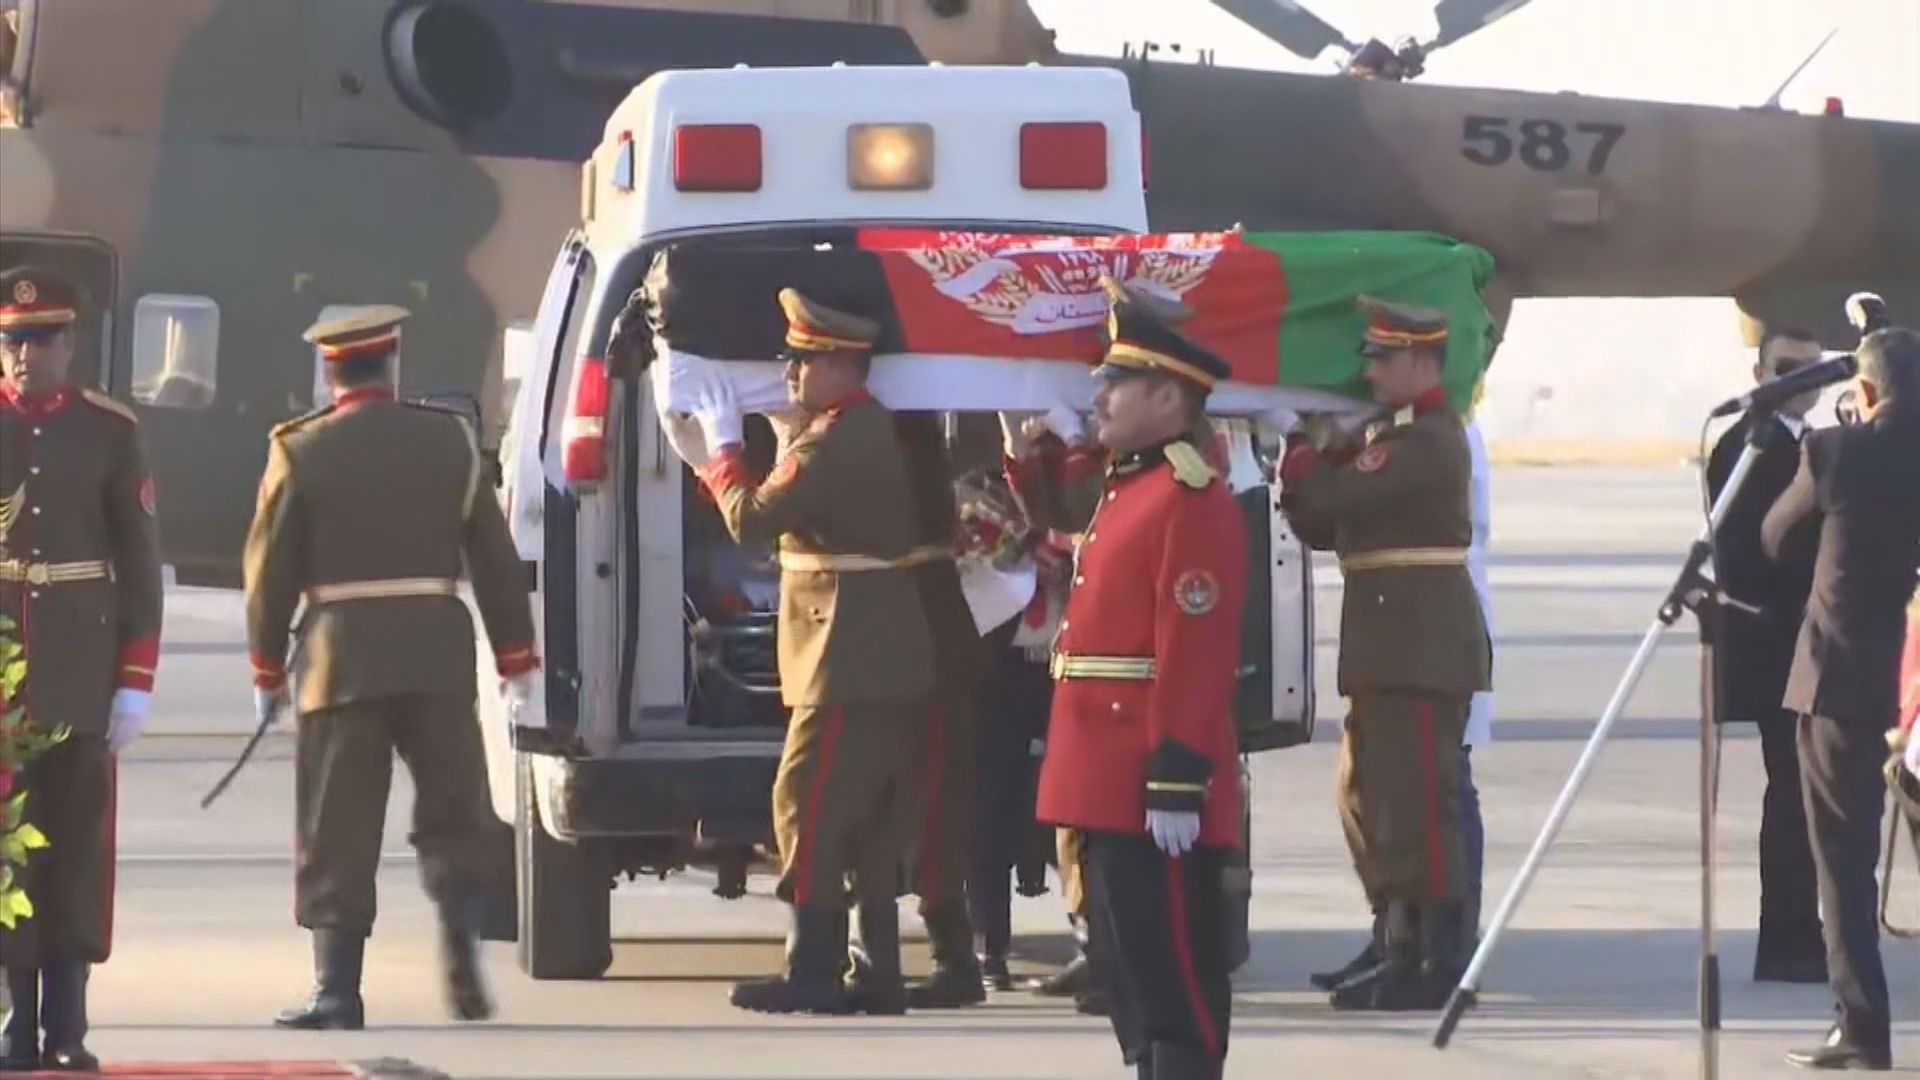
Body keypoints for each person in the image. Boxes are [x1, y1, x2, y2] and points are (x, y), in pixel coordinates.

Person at [245, 306, 539, 1031]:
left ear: (329, 369)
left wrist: (264, 669)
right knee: (454, 811)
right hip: (436, 653)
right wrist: (515, 656)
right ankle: (461, 945)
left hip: (338, 659)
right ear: (392, 361)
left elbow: (269, 571)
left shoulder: (300, 448)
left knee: (337, 825)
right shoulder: (450, 441)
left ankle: (338, 989)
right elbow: (495, 562)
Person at [672, 288, 934, 1015]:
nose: (790, 373)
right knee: (867, 816)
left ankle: (813, 965)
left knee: (806, 803)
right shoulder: (855, 430)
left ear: (846, 366)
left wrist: (724, 451)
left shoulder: (833, 440)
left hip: (846, 654)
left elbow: (756, 522)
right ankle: (874, 970)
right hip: (874, 650)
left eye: (805, 360)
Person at [1037, 280, 1246, 1080]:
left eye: (1117, 383)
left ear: (1167, 394)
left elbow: (1194, 647)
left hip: (1146, 769)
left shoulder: (1189, 498)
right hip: (1100, 769)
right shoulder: (1132, 487)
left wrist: (1177, 772)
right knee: (1125, 970)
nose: (1101, 396)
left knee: (1174, 975)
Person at [1279, 295, 1491, 1012]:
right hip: (1388, 646)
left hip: (1420, 647)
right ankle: (1394, 934)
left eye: (1382, 361)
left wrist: (1315, 457)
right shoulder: (1389, 434)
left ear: (1421, 361)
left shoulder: (1430, 438)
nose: (1369, 375)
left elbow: (1342, 496)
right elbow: (1316, 518)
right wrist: (1302, 461)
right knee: (1367, 797)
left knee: (1417, 805)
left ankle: (1429, 955)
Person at [0, 267, 163, 1072]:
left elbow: (138, 563)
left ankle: (68, 1023)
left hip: (77, 667)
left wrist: (134, 678)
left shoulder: (108, 431)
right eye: (13, 340)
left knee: (74, 847)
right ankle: (11, 1021)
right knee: (4, 850)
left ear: (70, 344)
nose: (26, 355)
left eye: (42, 339)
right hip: (1, 676)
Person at [1762, 326, 1920, 1072]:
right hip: (1901, 680)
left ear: (1863, 392)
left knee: (1844, 863)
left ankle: (1860, 1026)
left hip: (1837, 681)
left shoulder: (1836, 452)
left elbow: (1775, 536)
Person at [1707, 326, 1828, 984]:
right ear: (1759, 372)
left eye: (1813, 370)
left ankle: (1801, 933)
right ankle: (1787, 939)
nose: (1801, 382)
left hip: (1808, 643)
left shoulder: (1808, 442)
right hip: (1777, 644)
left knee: (1807, 795)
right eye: (1788, 368)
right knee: (1792, 795)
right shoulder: (1747, 446)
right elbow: (1743, 557)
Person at [886, 411, 989, 1008]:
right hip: (923, 643)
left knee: (931, 809)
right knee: (924, 807)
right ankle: (946, 955)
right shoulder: (905, 429)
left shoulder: (900, 438)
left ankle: (954, 960)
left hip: (927, 647)